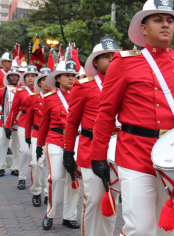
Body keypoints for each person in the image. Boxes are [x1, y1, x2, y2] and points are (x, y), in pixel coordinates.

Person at [89, 0, 174, 236]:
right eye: (158, 20)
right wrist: (98, 155)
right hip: (134, 153)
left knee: (167, 229)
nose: (166, 25)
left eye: (170, 20)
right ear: (144, 28)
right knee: (140, 228)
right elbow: (106, 113)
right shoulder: (123, 62)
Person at [63, 36, 120, 236]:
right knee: (95, 199)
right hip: (90, 148)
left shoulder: (125, 84)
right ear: (95, 61)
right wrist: (68, 151)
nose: (111, 59)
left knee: (112, 200)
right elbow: (71, 122)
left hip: (118, 149)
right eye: (105, 56)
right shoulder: (83, 86)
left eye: (113, 55)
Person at [36, 59, 80, 230]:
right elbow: (44, 123)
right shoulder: (49, 98)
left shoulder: (80, 94)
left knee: (73, 179)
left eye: (73, 75)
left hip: (75, 141)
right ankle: (50, 213)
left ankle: (69, 217)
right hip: (55, 140)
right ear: (58, 78)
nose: (71, 79)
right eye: (67, 75)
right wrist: (39, 145)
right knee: (56, 178)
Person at [4, 64, 38, 190]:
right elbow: (13, 110)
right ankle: (22, 178)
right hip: (24, 123)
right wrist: (7, 125)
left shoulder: (41, 91)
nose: (30, 78)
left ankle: (36, 181)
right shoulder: (20, 92)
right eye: (28, 76)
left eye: (33, 76)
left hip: (38, 124)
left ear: (37, 77)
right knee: (24, 151)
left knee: (36, 155)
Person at [25, 67, 51, 207]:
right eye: (43, 80)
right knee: (36, 163)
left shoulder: (57, 97)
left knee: (50, 165)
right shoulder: (33, 98)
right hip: (36, 134)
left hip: (52, 135)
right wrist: (27, 137)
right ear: (39, 83)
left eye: (49, 79)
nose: (46, 82)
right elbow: (28, 118)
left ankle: (48, 192)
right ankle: (36, 191)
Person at [0, 66, 21, 177]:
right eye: (12, 75)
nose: (14, 77)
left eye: (16, 75)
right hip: (3, 121)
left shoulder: (22, 91)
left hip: (18, 123)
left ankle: (15, 167)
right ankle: (0, 166)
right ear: (8, 77)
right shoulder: (2, 90)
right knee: (2, 144)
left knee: (17, 146)